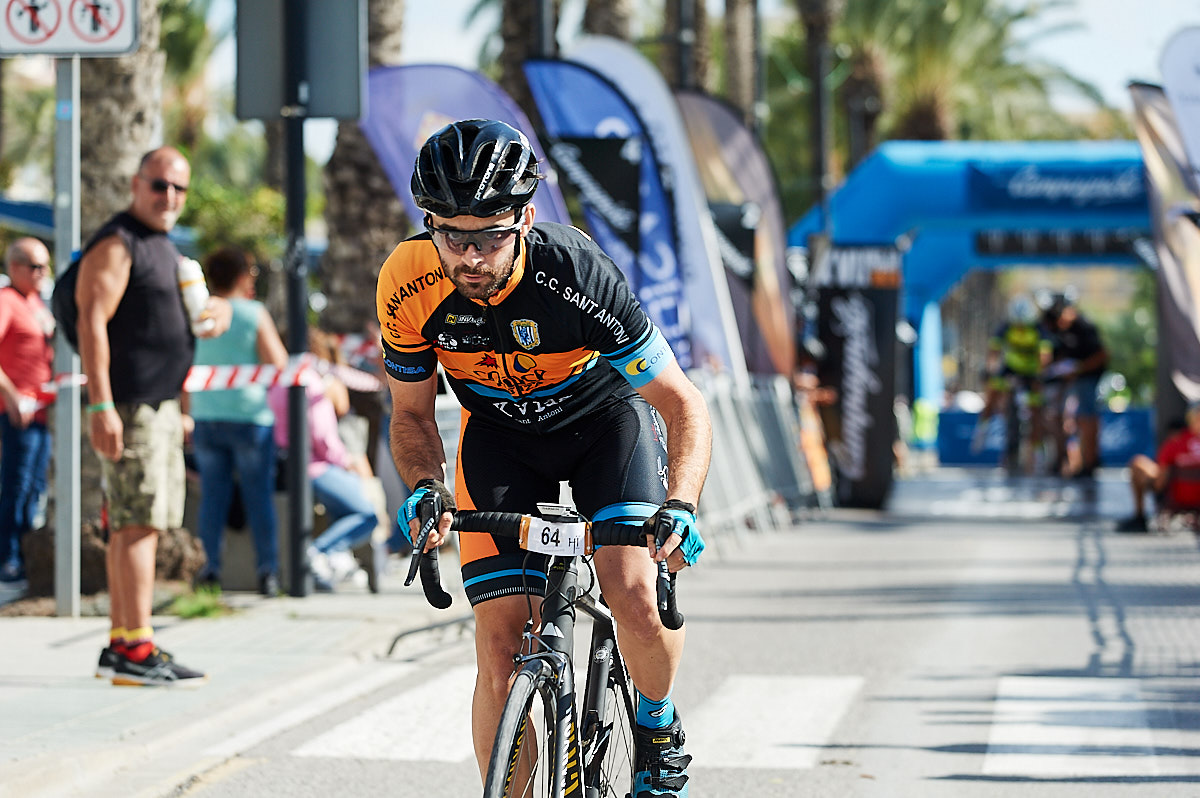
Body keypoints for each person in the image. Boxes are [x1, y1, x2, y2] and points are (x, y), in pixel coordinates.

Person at [377, 119, 712, 796]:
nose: (470, 257)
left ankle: (656, 725)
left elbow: (682, 404)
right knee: (501, 645)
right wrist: (423, 487)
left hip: (601, 426)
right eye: (451, 234)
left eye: (491, 235)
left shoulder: (578, 275)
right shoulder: (408, 282)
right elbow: (411, 416)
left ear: (526, 218)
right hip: (499, 438)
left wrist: (679, 504)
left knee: (634, 592)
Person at [76, 146, 231, 686]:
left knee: (133, 525)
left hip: (157, 405)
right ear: (136, 184)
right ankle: (137, 647)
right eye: (159, 185)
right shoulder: (118, 243)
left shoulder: (159, 246)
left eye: (178, 189)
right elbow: (91, 321)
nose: (169, 197)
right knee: (138, 525)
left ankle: (123, 643)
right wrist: (100, 405)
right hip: (130, 405)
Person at [187, 246, 288, 597]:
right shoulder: (252, 312)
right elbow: (278, 361)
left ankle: (209, 570)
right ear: (244, 276)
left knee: (212, 498)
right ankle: (267, 572)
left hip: (205, 414)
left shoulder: (199, 313)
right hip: (249, 416)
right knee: (258, 497)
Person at [269, 329, 380, 592]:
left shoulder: (276, 379)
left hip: (287, 462)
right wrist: (344, 461)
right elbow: (321, 433)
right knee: (367, 513)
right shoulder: (311, 380)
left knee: (343, 511)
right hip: (317, 465)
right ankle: (319, 552)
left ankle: (333, 561)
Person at [0, 237, 55, 596]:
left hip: (41, 414)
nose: (42, 274)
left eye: (45, 267)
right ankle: (8, 560)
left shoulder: (35, 302)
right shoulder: (6, 301)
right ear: (15, 267)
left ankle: (23, 556)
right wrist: (10, 395)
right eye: (35, 267)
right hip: (15, 415)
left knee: (35, 488)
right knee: (16, 488)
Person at [972, 295, 1052, 471]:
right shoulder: (1007, 327)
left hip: (1031, 373)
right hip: (1010, 369)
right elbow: (994, 350)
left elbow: (1044, 355)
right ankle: (982, 426)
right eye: (1018, 325)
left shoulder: (1038, 329)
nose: (1021, 328)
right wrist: (990, 369)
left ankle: (1038, 452)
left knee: (1036, 411)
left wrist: (1040, 374)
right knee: (993, 391)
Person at [1044, 288, 1108, 478]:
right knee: (1062, 418)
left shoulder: (1084, 327)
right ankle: (1070, 460)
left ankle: (1089, 462)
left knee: (1086, 418)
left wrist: (1079, 369)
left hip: (1088, 379)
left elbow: (1102, 355)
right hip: (1071, 380)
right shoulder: (1062, 331)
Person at [1116, 402, 1200, 532]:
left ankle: (1139, 517)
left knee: (1137, 462)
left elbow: (1160, 483)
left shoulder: (1176, 443)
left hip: (1177, 498)